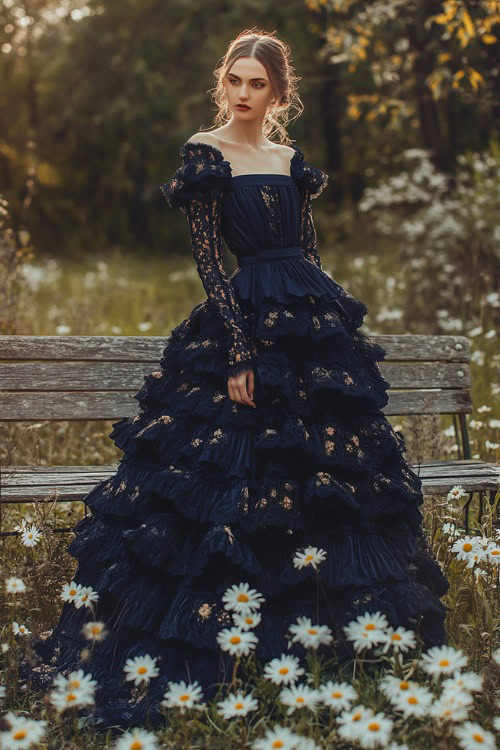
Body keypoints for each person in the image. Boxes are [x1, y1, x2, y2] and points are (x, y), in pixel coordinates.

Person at [20, 28, 450, 730]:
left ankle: (333, 647)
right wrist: (240, 352)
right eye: (236, 81)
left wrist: (324, 321)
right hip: (243, 315)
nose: (244, 94)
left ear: (277, 92)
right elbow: (210, 263)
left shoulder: (288, 158)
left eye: (258, 84)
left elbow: (306, 246)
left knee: (318, 475)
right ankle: (213, 647)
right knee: (231, 475)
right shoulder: (205, 152)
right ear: (224, 83)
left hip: (307, 319)